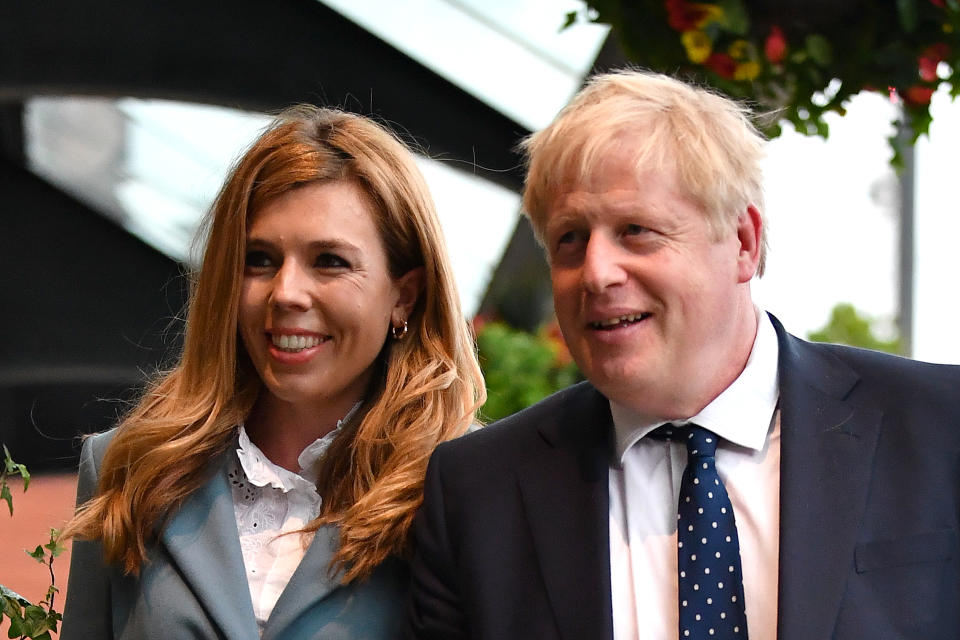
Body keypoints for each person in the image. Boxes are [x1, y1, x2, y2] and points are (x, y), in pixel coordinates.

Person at [406, 69, 960, 640]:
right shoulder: (478, 493)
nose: (596, 272)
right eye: (570, 238)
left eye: (636, 230)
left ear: (743, 242)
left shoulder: (940, 427)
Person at [60, 105, 485, 640]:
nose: (285, 292)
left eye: (329, 260)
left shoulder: (470, 491)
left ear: (404, 295)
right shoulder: (130, 467)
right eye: (258, 259)